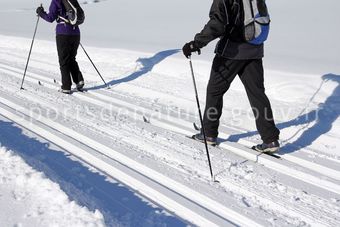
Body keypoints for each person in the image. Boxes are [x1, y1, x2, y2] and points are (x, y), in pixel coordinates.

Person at [182, 0, 280, 152]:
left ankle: (208, 134)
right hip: (255, 50)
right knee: (257, 94)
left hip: (231, 52)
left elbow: (217, 23)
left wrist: (196, 43)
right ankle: (271, 140)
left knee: (214, 91)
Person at [36, 0, 84, 94]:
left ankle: (66, 86)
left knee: (64, 60)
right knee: (71, 58)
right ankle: (79, 80)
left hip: (63, 33)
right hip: (76, 33)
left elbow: (50, 18)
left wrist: (40, 12)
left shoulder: (56, 1)